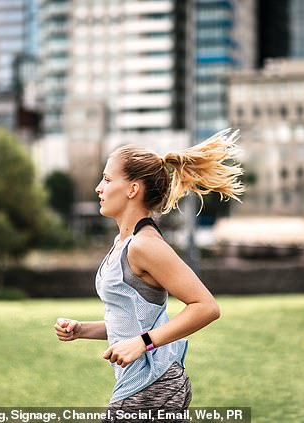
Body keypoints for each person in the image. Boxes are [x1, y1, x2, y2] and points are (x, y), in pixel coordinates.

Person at [54, 129, 244, 420]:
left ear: (132, 189)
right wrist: (81, 330)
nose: (98, 188)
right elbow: (131, 323)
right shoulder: (124, 243)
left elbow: (206, 307)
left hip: (153, 385)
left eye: (106, 179)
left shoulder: (145, 245)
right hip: (144, 385)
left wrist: (143, 343)